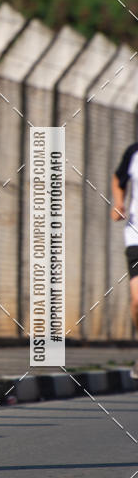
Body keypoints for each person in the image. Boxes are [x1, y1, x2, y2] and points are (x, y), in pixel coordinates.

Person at [111, 142, 138, 377]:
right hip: (135, 236)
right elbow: (118, 178)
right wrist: (119, 202)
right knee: (137, 299)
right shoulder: (133, 152)